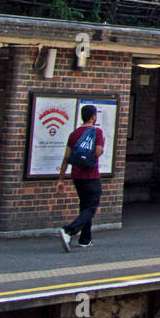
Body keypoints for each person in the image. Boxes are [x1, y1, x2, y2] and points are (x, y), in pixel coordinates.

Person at [56, 104, 105, 252]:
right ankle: (69, 231)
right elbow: (97, 153)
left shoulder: (74, 134)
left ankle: (85, 239)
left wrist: (61, 179)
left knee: (85, 206)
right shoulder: (97, 132)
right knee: (91, 206)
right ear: (94, 117)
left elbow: (67, 157)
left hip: (76, 175)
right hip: (91, 175)